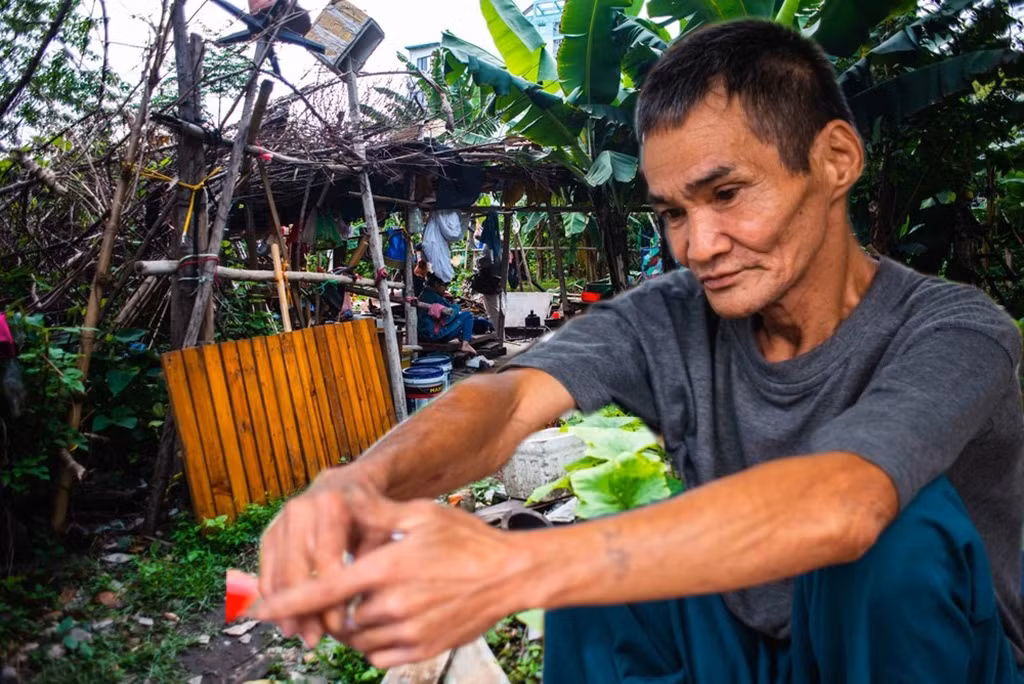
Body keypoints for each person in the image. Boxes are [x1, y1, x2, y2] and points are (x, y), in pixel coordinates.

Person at [251, 19, 1024, 683]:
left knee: (892, 540)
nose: (699, 245)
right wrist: (362, 482)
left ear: (835, 161)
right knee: (597, 586)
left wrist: (510, 566)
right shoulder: (674, 315)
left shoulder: (956, 331)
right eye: (672, 212)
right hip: (755, 643)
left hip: (932, 656)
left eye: (726, 195)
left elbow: (846, 502)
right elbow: (509, 398)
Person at [417, 274, 477, 355]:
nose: (445, 289)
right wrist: (456, 307)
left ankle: (465, 338)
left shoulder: (425, 293)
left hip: (423, 335)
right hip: (432, 335)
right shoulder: (434, 296)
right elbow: (449, 316)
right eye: (444, 285)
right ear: (436, 284)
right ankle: (465, 344)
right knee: (467, 316)